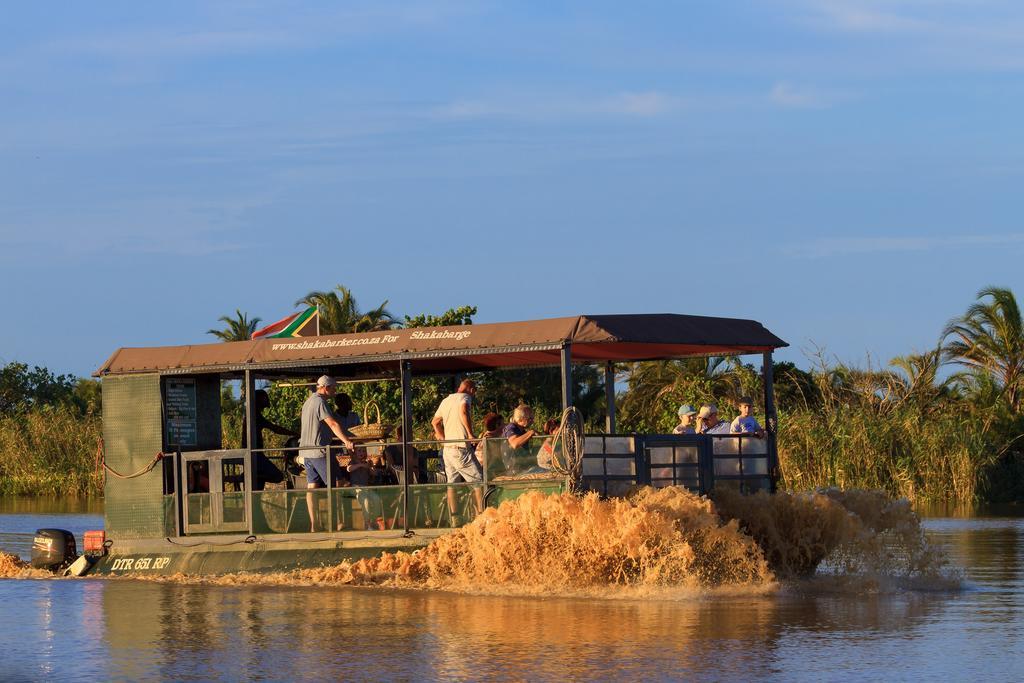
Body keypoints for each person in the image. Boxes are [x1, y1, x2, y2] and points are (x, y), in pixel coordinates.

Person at [300, 375, 355, 532]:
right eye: (334, 388)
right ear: (326, 387)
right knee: (337, 483)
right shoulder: (320, 402)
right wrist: (346, 441)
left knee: (312, 487)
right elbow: (332, 423)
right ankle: (338, 522)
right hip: (319, 451)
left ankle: (314, 524)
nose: (335, 391)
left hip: (306, 452)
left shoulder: (308, 402)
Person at [431, 379, 484, 523]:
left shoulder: (446, 400)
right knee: (480, 481)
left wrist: (442, 438)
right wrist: (470, 434)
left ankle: (455, 518)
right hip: (461, 448)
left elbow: (435, 422)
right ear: (471, 390)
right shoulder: (465, 398)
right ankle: (481, 516)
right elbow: (463, 412)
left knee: (452, 483)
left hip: (448, 450)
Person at [241, 389, 298, 490]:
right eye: (264, 398)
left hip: (255, 454)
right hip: (255, 455)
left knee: (259, 487)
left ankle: (255, 477)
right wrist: (294, 433)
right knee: (278, 476)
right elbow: (275, 428)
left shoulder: (253, 414)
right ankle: (252, 476)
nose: (267, 400)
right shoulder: (254, 415)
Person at [346, 447, 383, 529]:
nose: (361, 452)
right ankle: (367, 523)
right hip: (356, 488)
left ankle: (375, 520)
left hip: (366, 488)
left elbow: (375, 474)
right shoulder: (353, 462)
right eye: (359, 450)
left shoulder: (367, 463)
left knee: (376, 498)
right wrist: (361, 465)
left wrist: (371, 467)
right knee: (365, 500)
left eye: (363, 451)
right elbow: (349, 469)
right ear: (355, 453)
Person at [501, 404, 537, 473]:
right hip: (516, 470)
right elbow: (514, 443)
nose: (532, 421)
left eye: (533, 418)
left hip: (524, 468)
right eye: (530, 418)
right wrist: (530, 433)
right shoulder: (511, 427)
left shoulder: (522, 430)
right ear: (520, 419)